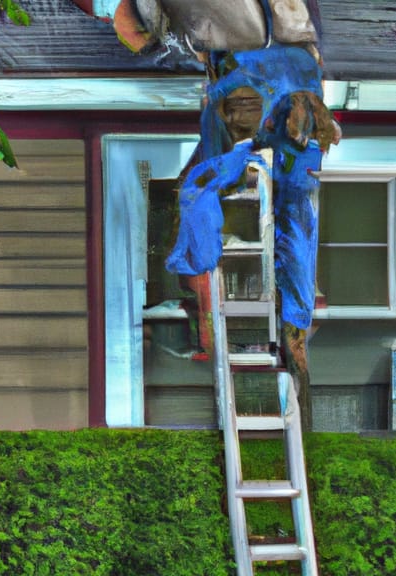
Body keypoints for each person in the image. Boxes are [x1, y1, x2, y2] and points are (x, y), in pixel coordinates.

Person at [113, 0, 340, 430]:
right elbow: (136, 31)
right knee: (281, 212)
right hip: (275, 85)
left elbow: (134, 32)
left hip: (264, 88)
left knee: (215, 191)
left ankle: (224, 281)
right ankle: (285, 332)